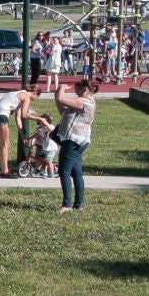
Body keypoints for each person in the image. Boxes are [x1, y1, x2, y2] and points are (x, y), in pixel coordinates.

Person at [53, 78, 98, 213]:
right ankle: (79, 204)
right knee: (76, 173)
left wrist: (61, 89)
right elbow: (63, 111)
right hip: (80, 141)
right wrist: (57, 96)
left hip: (73, 140)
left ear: (84, 90)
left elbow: (62, 99)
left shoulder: (83, 101)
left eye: (77, 91)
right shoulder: (85, 102)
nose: (75, 94)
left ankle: (67, 205)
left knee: (64, 172)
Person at [0, 87, 37, 177]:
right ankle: (5, 172)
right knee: (5, 144)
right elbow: (24, 115)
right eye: (36, 97)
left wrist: (22, 135)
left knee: (1, 144)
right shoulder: (26, 96)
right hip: (2, 113)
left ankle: (4, 169)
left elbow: (18, 118)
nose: (34, 100)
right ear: (35, 93)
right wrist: (40, 118)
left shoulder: (17, 94)